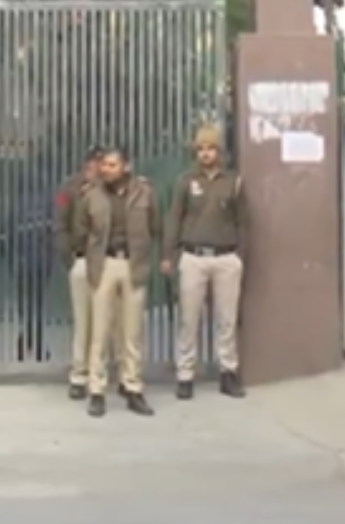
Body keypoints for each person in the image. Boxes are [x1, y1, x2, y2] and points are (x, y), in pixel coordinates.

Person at [162, 124, 249, 400]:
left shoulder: (233, 182)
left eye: (210, 148)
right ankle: (185, 375)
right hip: (193, 258)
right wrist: (168, 255)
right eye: (200, 149)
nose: (205, 153)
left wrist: (240, 256)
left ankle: (228, 373)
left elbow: (243, 222)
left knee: (227, 320)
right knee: (189, 319)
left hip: (226, 258)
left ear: (219, 151)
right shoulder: (185, 181)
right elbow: (174, 219)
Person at [79, 146, 160, 418]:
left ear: (127, 166)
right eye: (104, 165)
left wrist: (148, 257)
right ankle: (97, 390)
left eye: (113, 165)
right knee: (100, 332)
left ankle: (132, 387)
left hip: (133, 265)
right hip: (104, 265)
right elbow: (81, 229)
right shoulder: (92, 194)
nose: (106, 170)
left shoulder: (145, 192)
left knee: (132, 332)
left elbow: (155, 225)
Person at [57, 146, 124, 400]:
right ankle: (79, 375)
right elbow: (60, 224)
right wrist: (70, 258)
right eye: (97, 163)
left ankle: (118, 373)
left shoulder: (115, 189)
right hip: (83, 260)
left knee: (114, 322)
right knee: (84, 322)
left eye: (105, 164)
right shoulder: (70, 189)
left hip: (109, 261)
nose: (101, 168)